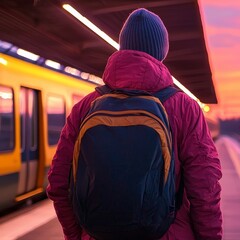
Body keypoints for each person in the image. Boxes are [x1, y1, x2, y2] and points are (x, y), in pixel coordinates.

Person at [47, 8, 223, 240]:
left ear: (122, 48)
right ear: (161, 52)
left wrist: (76, 235)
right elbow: (205, 189)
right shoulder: (185, 108)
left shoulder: (85, 107)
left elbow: (59, 184)